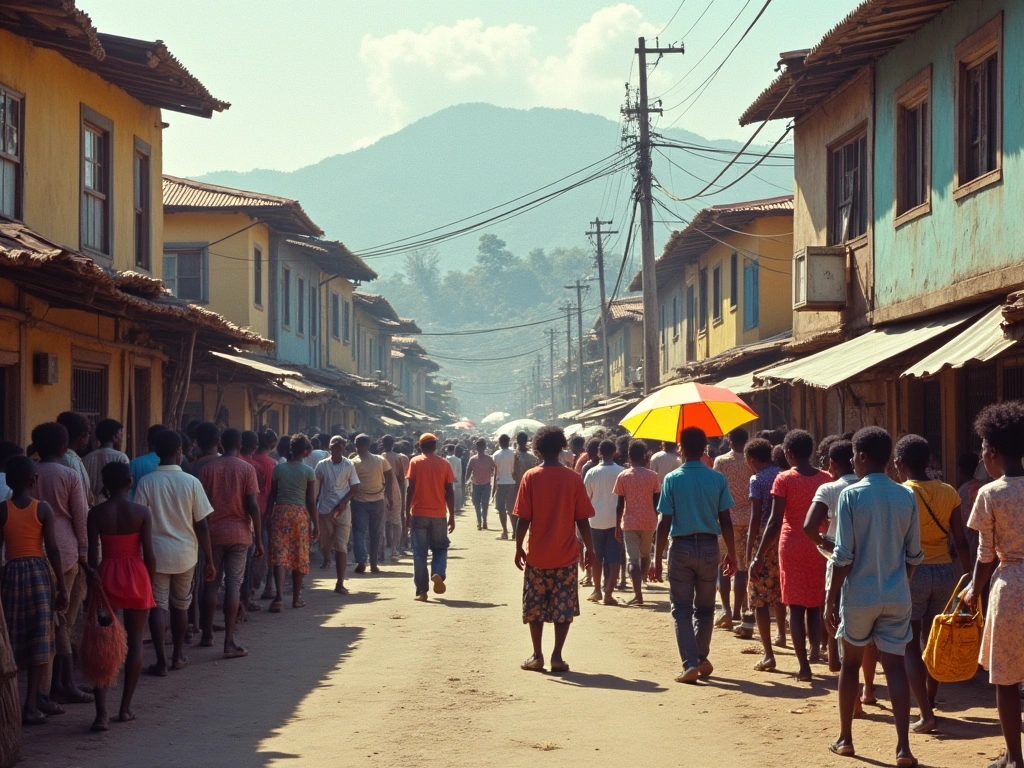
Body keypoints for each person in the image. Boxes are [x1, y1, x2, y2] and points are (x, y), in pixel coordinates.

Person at [826, 427, 922, 767]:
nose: (852, 460)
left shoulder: (851, 496)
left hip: (859, 594)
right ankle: (903, 749)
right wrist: (900, 584)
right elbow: (914, 554)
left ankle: (846, 739)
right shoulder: (906, 496)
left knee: (850, 664)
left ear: (863, 456)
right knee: (894, 666)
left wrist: (830, 598)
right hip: (896, 594)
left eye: (853, 455)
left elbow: (843, 555)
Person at [893, 434, 971, 735]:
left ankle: (925, 713)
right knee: (936, 641)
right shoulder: (949, 491)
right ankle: (931, 699)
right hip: (945, 573)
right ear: (929, 461)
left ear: (899, 463)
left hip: (912, 573)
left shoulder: (901, 494)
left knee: (911, 645)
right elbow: (961, 541)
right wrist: (968, 582)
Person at [964, 402, 1024, 768]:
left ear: (993, 452)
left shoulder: (990, 494)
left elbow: (985, 555)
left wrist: (973, 588)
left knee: (1006, 677)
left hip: (1010, 586)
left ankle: (1014, 758)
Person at [654, 427, 737, 683]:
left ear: (681, 448)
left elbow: (664, 522)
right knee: (705, 608)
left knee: (681, 609)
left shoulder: (672, 479)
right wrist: (732, 554)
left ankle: (690, 663)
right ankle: (700, 657)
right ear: (704, 449)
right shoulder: (717, 479)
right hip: (710, 548)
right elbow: (726, 520)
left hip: (681, 547)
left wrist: (657, 558)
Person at [514, 426, 595, 673]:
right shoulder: (573, 478)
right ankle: (557, 656)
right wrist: (590, 549)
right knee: (564, 606)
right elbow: (582, 519)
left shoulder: (531, 476)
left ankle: (537, 656)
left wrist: (518, 547)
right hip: (566, 554)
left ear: (537, 448)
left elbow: (523, 519)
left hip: (537, 555)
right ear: (562, 447)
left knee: (535, 606)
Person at [135, 429, 216, 675]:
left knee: (158, 606)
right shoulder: (192, 482)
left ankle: (160, 661)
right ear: (179, 452)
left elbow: (139, 519)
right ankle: (178, 655)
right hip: (185, 555)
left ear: (156, 452)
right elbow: (202, 524)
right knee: (181, 606)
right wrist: (210, 559)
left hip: (155, 555)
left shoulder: (147, 482)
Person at [752, 429, 830, 682]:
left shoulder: (783, 480)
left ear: (788, 454)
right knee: (815, 604)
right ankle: (816, 648)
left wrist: (759, 555)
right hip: (819, 545)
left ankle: (804, 667)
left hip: (792, 545)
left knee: (795, 607)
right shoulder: (826, 478)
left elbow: (774, 521)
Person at [86, 461, 156, 730]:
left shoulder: (96, 513)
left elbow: (93, 556)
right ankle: (125, 708)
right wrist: (149, 579)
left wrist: (92, 584)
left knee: (102, 642)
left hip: (106, 576)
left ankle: (101, 714)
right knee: (136, 641)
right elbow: (148, 553)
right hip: (136, 573)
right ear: (130, 482)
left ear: (106, 483)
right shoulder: (141, 512)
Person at [0, 456, 67, 726]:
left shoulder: (2, 510)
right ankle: (31, 704)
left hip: (11, 575)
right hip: (39, 575)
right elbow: (52, 549)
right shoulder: (43, 509)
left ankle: (12, 708)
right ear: (33, 480)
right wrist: (61, 584)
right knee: (41, 636)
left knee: (13, 637)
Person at [32, 421, 91, 706]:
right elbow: (81, 518)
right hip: (67, 553)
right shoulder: (69, 475)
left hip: (35, 551)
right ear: (62, 447)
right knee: (62, 623)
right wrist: (85, 555)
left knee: (45, 622)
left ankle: (46, 688)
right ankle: (61, 685)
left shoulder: (29, 473)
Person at [198, 428, 262, 657]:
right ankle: (229, 642)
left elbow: (201, 509)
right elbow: (253, 506)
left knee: (211, 585)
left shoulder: (207, 470)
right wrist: (260, 539)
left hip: (213, 534)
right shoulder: (247, 469)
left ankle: (207, 635)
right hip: (240, 534)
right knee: (234, 584)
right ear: (241, 444)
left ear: (221, 444)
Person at [803, 439, 859, 674]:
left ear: (832, 464)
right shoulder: (866, 484)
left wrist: (825, 543)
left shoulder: (829, 488)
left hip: (837, 554)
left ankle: (834, 658)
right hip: (866, 555)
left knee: (833, 605)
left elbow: (808, 527)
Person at [744, 437, 786, 671]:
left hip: (763, 538)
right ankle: (781, 634)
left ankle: (768, 653)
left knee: (759, 596)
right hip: (784, 537)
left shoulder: (757, 479)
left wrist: (751, 549)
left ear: (751, 459)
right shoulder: (783, 473)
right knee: (780, 589)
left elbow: (756, 515)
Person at [266, 434, 319, 611]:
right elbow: (311, 501)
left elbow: (271, 496)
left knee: (279, 555)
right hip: (299, 515)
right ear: (305, 452)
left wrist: (268, 515)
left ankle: (279, 597)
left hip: (280, 512)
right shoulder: (308, 472)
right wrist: (316, 524)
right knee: (299, 555)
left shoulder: (279, 469)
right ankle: (296, 598)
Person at [405, 433, 456, 601]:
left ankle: (422, 591)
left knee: (419, 553)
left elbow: (410, 489)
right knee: (440, 548)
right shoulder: (444, 464)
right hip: (439, 514)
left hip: (419, 514)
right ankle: (438, 573)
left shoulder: (415, 462)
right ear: (435, 446)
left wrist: (406, 513)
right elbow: (449, 492)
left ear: (420, 446)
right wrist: (452, 516)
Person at [713, 428, 753, 631]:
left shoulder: (721, 462)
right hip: (749, 520)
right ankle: (738, 610)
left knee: (724, 565)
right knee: (743, 568)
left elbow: (715, 490)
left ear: (729, 441)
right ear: (746, 440)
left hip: (726, 520)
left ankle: (726, 610)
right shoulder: (752, 461)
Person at [614, 440, 661, 606]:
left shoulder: (623, 476)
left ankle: (637, 594)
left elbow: (620, 505)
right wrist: (655, 517)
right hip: (649, 521)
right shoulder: (653, 476)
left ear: (629, 456)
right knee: (645, 554)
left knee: (632, 561)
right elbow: (657, 503)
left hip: (629, 522)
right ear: (645, 456)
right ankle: (640, 581)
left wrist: (616, 526)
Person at [315, 436, 359, 595]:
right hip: (325, 510)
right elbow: (316, 488)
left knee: (341, 546)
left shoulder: (349, 465)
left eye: (340, 447)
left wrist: (344, 502)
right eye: (334, 447)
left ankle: (340, 582)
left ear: (344, 449)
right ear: (330, 448)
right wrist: (313, 506)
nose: (337, 450)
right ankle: (327, 557)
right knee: (325, 544)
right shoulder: (321, 465)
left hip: (343, 511)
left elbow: (355, 487)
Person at [584, 440, 625, 605]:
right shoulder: (622, 472)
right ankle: (609, 593)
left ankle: (597, 590)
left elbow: (585, 498)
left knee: (596, 557)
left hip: (595, 520)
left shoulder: (592, 473)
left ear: (599, 453)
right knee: (614, 558)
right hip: (616, 521)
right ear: (614, 452)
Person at [350, 434, 393, 574]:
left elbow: (349, 482)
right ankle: (374, 564)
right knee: (375, 533)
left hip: (359, 502)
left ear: (355, 446)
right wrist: (388, 494)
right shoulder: (380, 460)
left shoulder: (353, 462)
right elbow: (389, 475)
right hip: (378, 500)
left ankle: (362, 560)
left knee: (359, 532)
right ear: (368, 445)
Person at [244, 430, 279, 602]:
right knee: (263, 548)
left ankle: (249, 587)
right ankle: (265, 586)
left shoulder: (248, 460)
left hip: (246, 509)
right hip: (264, 509)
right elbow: (271, 491)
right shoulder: (271, 464)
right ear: (273, 444)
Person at [83, 418, 130, 504]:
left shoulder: (86, 458)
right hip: (114, 505)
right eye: (120, 435)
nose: (121, 439)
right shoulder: (121, 457)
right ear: (114, 437)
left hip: (91, 506)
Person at [57, 411, 94, 506]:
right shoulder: (70, 461)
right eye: (87, 434)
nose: (89, 437)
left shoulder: (72, 458)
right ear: (81, 437)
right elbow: (78, 499)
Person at [381, 435, 407, 561]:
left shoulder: (379, 458)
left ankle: (382, 549)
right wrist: (403, 495)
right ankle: (394, 549)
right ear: (393, 444)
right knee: (397, 520)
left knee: (383, 521)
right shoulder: (398, 458)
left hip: (381, 490)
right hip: (395, 489)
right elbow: (402, 479)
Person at [956, 452, 985, 564]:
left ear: (960, 470)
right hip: (983, 542)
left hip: (966, 543)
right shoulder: (984, 488)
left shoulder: (960, 493)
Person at [129, 423, 168, 498]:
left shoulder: (135, 463)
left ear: (148, 441)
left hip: (138, 507)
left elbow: (129, 491)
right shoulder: (170, 464)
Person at [466, 438, 495, 531]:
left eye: (482, 447)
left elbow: (495, 469)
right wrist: (465, 481)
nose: (480, 448)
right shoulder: (473, 459)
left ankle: (484, 520)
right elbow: (468, 470)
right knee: (477, 504)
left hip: (486, 484)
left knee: (485, 504)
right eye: (479, 447)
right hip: (475, 484)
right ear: (477, 448)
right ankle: (479, 521)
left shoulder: (490, 459)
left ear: (484, 447)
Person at [492, 433, 517, 539]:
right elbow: (515, 469)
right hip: (512, 483)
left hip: (501, 483)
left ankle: (505, 532)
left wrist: (493, 489)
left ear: (500, 443)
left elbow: (495, 472)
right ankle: (515, 532)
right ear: (509, 442)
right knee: (512, 509)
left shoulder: (496, 455)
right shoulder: (514, 453)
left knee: (501, 509)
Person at [445, 445, 464, 512]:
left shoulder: (446, 459)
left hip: (448, 479)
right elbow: (460, 471)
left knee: (449, 493)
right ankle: (457, 507)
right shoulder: (458, 460)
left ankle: (450, 507)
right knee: (457, 493)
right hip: (456, 479)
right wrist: (458, 479)